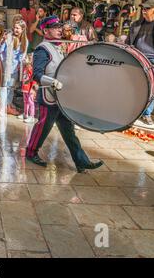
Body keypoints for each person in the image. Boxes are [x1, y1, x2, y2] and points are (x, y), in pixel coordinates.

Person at [26, 15, 104, 173]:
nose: (59, 29)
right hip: (48, 96)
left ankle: (81, 161)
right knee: (42, 128)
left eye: (59, 27)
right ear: (46, 30)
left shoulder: (58, 46)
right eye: (55, 27)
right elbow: (36, 75)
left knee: (69, 132)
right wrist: (52, 82)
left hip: (60, 98)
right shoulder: (43, 49)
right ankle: (30, 153)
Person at [0, 20, 28, 116]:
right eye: (14, 27)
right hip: (6, 67)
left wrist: (22, 65)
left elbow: (22, 56)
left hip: (15, 69)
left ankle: (8, 105)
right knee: (4, 88)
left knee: (11, 88)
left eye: (18, 28)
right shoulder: (9, 38)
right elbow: (0, 51)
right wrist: (2, 41)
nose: (15, 30)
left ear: (23, 29)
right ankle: (2, 108)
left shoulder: (24, 41)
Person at [20, 55, 37, 124]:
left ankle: (32, 116)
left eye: (26, 58)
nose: (24, 59)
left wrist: (33, 89)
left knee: (30, 102)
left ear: (30, 60)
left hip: (30, 89)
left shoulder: (31, 69)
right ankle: (25, 114)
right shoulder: (25, 68)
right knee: (25, 101)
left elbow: (34, 79)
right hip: (25, 88)